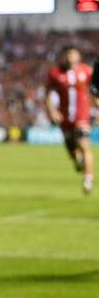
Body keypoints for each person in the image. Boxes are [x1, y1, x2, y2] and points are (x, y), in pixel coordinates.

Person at [45, 46, 95, 194]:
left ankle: (88, 179)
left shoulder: (86, 71)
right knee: (71, 149)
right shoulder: (55, 73)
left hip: (83, 116)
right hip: (65, 118)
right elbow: (48, 93)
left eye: (73, 54)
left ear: (78, 56)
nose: (70, 58)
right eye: (67, 55)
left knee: (84, 144)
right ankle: (78, 161)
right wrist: (52, 110)